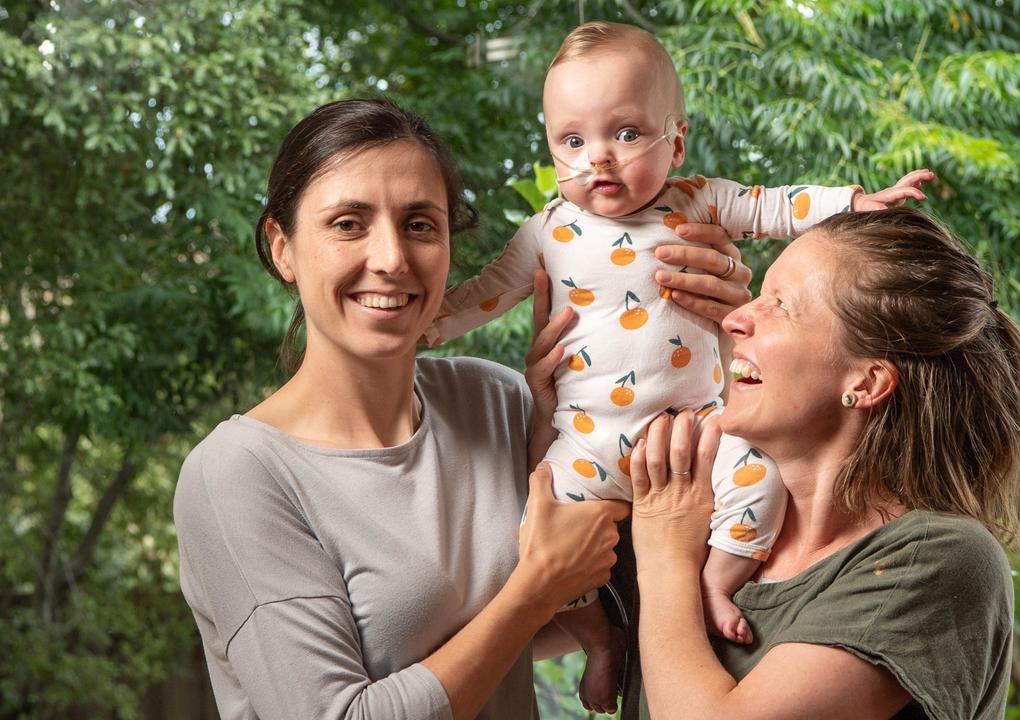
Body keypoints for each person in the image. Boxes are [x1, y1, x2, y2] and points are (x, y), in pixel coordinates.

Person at [171, 97, 752, 720]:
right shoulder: (238, 475)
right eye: (348, 223)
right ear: (282, 248)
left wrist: (714, 334)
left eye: (420, 223)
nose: (392, 258)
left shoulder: (496, 401)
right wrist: (533, 590)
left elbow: (618, 585)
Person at [420, 21, 933, 711]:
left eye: (626, 133)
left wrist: (853, 203)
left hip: (698, 433)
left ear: (676, 140)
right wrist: (429, 322)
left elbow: (773, 206)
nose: (598, 157)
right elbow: (485, 292)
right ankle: (600, 640)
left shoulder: (696, 199)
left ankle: (714, 586)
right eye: (573, 141)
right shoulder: (545, 231)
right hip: (587, 440)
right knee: (536, 532)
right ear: (550, 147)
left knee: (758, 480)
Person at [624, 207, 1020, 719]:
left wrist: (665, 556)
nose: (736, 319)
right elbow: (531, 622)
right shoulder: (708, 517)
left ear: (865, 383)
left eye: (780, 305)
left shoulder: (938, 559)